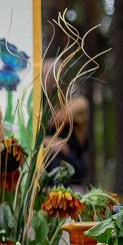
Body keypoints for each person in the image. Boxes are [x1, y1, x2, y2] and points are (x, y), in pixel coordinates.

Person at [42, 57, 90, 186]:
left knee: (57, 159)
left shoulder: (79, 103)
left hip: (71, 164)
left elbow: (55, 119)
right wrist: (48, 142)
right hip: (45, 166)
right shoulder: (41, 107)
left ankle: (58, 199)